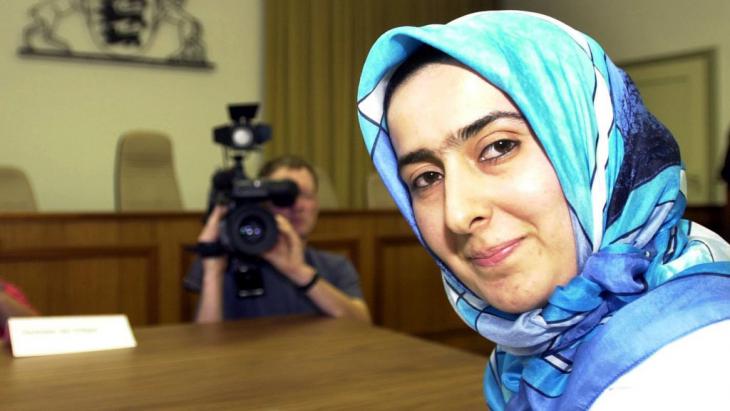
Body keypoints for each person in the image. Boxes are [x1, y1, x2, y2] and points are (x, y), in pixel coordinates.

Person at [357, 11, 730, 410]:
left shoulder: (692, 366)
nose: (457, 214)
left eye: (499, 147)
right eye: (427, 178)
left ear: (592, 149)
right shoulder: (537, 350)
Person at [185, 155, 370, 324]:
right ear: (261, 204)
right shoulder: (226, 266)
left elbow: (362, 324)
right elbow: (206, 343)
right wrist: (213, 272)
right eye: (283, 197)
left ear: (317, 205)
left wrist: (299, 272)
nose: (297, 205)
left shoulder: (334, 266)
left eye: (306, 195)